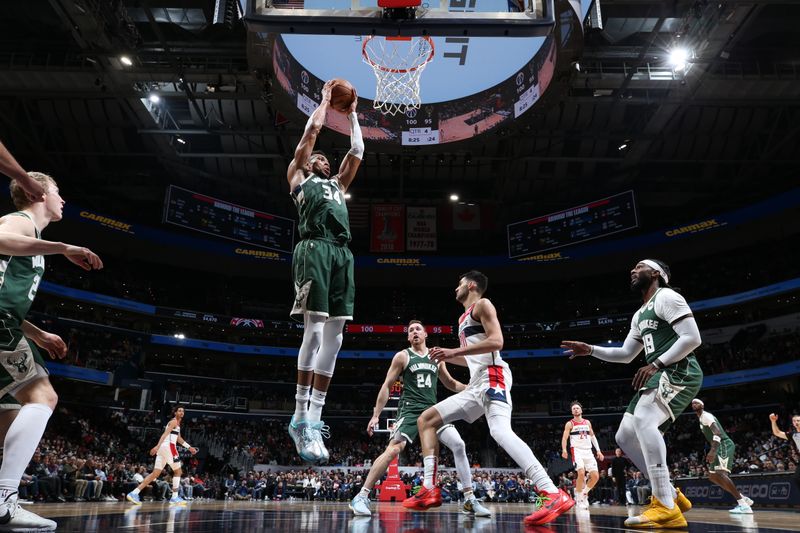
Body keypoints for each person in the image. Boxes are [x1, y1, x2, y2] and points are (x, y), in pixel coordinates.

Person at [404, 271, 574, 526]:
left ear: (471, 285)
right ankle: (429, 487)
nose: (455, 289)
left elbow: (497, 342)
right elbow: (473, 358)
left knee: (500, 432)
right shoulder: (463, 318)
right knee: (426, 420)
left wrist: (454, 350)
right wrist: (448, 357)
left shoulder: (482, 304)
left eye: (459, 284)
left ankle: (550, 491)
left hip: (493, 376)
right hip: (476, 383)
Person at [563, 259, 702, 528]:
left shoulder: (667, 296)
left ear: (657, 274)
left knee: (644, 421)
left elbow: (692, 338)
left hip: (679, 370)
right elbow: (626, 354)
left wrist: (656, 363)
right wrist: (590, 349)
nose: (632, 270)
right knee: (624, 436)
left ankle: (665, 505)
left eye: (639, 267)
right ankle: (672, 494)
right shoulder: (639, 314)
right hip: (661, 372)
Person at [0, 171, 103, 531]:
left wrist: (37, 333)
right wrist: (63, 248)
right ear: (41, 193)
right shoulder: (20, 220)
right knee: (42, 395)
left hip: (8, 323)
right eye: (59, 192)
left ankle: (4, 500)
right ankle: (4, 500)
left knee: (10, 417)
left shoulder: (32, 234)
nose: (63, 200)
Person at [286, 80, 363, 464]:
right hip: (313, 249)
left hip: (341, 256)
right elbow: (312, 132)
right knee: (314, 330)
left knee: (336, 336)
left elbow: (358, 150)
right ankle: (299, 415)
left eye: (326, 161)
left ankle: (315, 418)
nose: (325, 161)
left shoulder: (336, 184)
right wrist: (324, 102)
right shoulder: (300, 176)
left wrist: (352, 117)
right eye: (320, 159)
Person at [349, 320, 490, 517]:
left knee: (458, 444)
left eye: (418, 329)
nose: (414, 332)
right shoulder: (403, 356)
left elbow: (449, 382)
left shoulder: (436, 357)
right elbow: (387, 385)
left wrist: (470, 389)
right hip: (410, 410)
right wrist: (376, 415)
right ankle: (361, 496)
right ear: (408, 337)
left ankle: (469, 500)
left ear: (425, 335)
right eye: (411, 331)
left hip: (432, 412)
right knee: (394, 449)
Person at [691, 399, 753, 513]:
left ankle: (743, 505)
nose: (694, 404)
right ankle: (743, 498)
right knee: (713, 476)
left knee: (720, 473)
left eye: (697, 402)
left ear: (702, 405)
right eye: (692, 403)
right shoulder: (701, 419)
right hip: (718, 446)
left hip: (723, 444)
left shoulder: (706, 416)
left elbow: (717, 432)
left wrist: (713, 450)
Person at [126, 405, 198, 505]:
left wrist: (189, 447)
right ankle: (174, 497)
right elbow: (164, 434)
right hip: (169, 447)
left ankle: (134, 493)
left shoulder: (177, 424)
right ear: (175, 413)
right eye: (179, 411)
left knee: (154, 474)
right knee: (178, 472)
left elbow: (178, 438)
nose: (182, 412)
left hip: (163, 449)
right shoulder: (173, 422)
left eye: (183, 411)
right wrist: (157, 446)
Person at [560, 401, 604, 510]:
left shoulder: (587, 423)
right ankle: (579, 497)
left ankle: (584, 493)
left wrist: (598, 451)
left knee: (595, 476)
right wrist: (564, 450)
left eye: (577, 408)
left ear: (581, 410)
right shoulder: (570, 424)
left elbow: (593, 437)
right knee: (581, 472)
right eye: (573, 408)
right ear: (571, 411)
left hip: (588, 451)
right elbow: (565, 438)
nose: (575, 409)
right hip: (577, 450)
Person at [769, 412, 800, 490]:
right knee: (797, 479)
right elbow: (777, 432)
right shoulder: (792, 434)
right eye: (794, 421)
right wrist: (773, 421)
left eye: (798, 421)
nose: (796, 422)